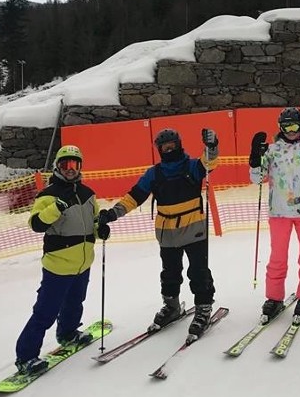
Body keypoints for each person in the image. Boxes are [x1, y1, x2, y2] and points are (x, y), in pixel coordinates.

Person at [97, 128, 219, 338]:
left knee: (198, 272)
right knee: (170, 273)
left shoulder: (192, 167)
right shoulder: (154, 174)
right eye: (165, 147)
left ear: (179, 145)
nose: (169, 150)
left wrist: (212, 145)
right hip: (167, 233)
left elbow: (210, 161)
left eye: (172, 145)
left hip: (194, 230)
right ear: (160, 150)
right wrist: (112, 214)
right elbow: (134, 197)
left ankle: (203, 307)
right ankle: (171, 306)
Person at [14, 145, 110, 375]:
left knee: (75, 302)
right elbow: (36, 224)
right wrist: (57, 207)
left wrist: (101, 229)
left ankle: (68, 332)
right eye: (65, 164)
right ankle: (26, 356)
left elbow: (92, 223)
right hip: (58, 264)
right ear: (58, 166)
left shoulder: (88, 194)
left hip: (83, 263)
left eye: (74, 165)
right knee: (46, 311)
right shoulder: (47, 195)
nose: (70, 169)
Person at [249, 107, 300, 324]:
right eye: (286, 127)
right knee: (277, 257)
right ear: (280, 128)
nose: (291, 131)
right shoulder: (272, 151)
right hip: (278, 213)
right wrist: (255, 159)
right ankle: (274, 297)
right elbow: (258, 179)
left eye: (295, 126)